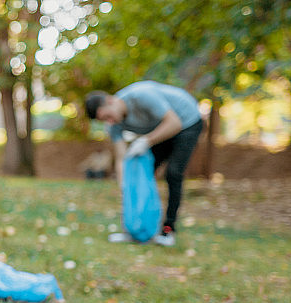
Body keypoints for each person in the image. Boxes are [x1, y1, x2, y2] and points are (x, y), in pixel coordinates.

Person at [85, 81, 203, 246]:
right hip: (161, 127)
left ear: (110, 100)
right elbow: (121, 158)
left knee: (173, 173)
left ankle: (168, 230)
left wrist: (147, 141)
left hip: (186, 121)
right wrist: (124, 184)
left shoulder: (141, 95)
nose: (109, 121)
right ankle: (136, 229)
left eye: (107, 116)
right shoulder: (114, 125)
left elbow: (174, 123)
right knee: (140, 173)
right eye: (104, 120)